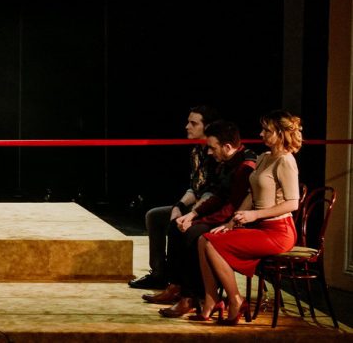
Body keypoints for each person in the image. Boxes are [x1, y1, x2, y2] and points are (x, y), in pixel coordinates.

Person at [195, 110, 302, 325]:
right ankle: (212, 299)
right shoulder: (264, 157)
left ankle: (235, 299)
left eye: (267, 130)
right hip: (260, 227)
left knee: (213, 245)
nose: (261, 134)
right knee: (203, 240)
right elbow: (251, 195)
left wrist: (254, 214)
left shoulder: (286, 161)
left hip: (279, 231)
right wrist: (231, 223)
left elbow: (293, 203)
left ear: (280, 134)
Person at [154, 120, 256, 317]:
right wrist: (192, 214)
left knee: (192, 233)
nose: (209, 152)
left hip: (237, 221)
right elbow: (217, 196)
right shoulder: (225, 162)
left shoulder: (244, 167)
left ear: (227, 147)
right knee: (177, 226)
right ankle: (176, 286)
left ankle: (191, 297)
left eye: (212, 148)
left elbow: (231, 208)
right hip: (223, 216)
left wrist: (196, 222)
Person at [129, 105, 219, 290]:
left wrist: (191, 213)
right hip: (198, 204)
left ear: (208, 127)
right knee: (155, 216)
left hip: (211, 209)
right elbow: (195, 188)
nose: (187, 127)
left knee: (176, 225)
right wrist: (179, 205)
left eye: (193, 123)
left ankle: (180, 283)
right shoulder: (196, 151)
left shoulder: (215, 153)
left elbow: (213, 193)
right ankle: (159, 274)